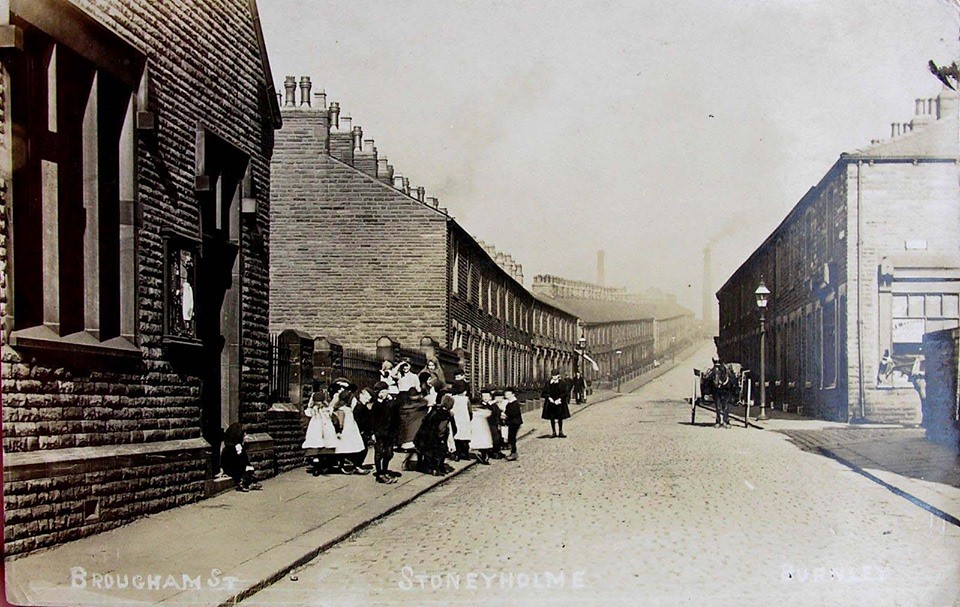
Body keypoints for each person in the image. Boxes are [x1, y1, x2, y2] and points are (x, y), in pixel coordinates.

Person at [302, 383, 342, 475]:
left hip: (317, 431)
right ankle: (320, 464)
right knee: (323, 446)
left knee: (317, 446)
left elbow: (306, 418)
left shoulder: (313, 410)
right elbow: (334, 418)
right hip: (324, 430)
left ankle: (317, 464)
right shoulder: (326, 410)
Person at [415, 394, 454, 476]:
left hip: (426, 434)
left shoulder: (434, 410)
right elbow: (442, 428)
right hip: (436, 437)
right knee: (440, 452)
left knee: (428, 452)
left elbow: (425, 420)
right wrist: (443, 437)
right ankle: (436, 468)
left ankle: (428, 467)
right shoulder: (446, 415)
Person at [369, 381, 401, 483]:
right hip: (380, 432)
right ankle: (380, 474)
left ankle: (385, 470)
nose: (384, 393)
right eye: (382, 391)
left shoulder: (390, 403)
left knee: (388, 453)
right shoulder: (376, 405)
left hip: (389, 432)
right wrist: (372, 433)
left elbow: (395, 414)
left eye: (386, 391)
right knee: (379, 453)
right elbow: (373, 420)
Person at [336, 387, 372, 474]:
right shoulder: (342, 409)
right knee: (343, 450)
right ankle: (343, 466)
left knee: (353, 448)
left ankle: (355, 466)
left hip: (351, 430)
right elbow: (341, 422)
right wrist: (339, 431)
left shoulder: (347, 409)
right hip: (346, 432)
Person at [220, 422, 262, 492]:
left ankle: (249, 482)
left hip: (234, 457)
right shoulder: (234, 443)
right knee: (242, 466)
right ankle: (242, 483)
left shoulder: (237, 436)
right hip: (232, 461)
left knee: (245, 464)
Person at [541, 369, 570, 438]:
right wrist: (549, 398)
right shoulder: (548, 383)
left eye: (556, 376)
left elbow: (565, 393)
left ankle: (560, 431)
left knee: (560, 417)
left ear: (558, 376)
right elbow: (544, 393)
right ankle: (553, 432)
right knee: (552, 417)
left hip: (559, 402)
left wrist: (560, 399)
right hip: (551, 403)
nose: (554, 377)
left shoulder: (562, 383)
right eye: (553, 376)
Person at [449, 379, 473, 461]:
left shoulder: (452, 398)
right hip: (464, 420)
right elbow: (470, 410)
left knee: (456, 437)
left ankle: (456, 454)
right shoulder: (466, 399)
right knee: (464, 438)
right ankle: (465, 454)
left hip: (454, 419)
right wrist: (470, 417)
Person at [469, 394, 494, 464]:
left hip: (474, 429)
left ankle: (480, 454)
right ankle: (484, 456)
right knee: (484, 444)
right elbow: (489, 413)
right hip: (483, 430)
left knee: (475, 442)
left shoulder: (472, 413)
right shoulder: (482, 412)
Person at [502, 387, 523, 461]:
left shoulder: (514, 403)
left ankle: (514, 453)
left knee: (511, 438)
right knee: (511, 438)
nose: (506, 395)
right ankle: (513, 452)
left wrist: (505, 416)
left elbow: (513, 413)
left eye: (508, 393)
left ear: (512, 394)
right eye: (506, 393)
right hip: (513, 422)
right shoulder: (510, 402)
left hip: (514, 422)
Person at [910, 349, 926, 426]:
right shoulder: (917, 360)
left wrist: (917, 373)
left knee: (924, 398)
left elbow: (922, 372)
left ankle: (925, 420)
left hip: (922, 380)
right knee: (922, 400)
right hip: (918, 380)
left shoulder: (923, 361)